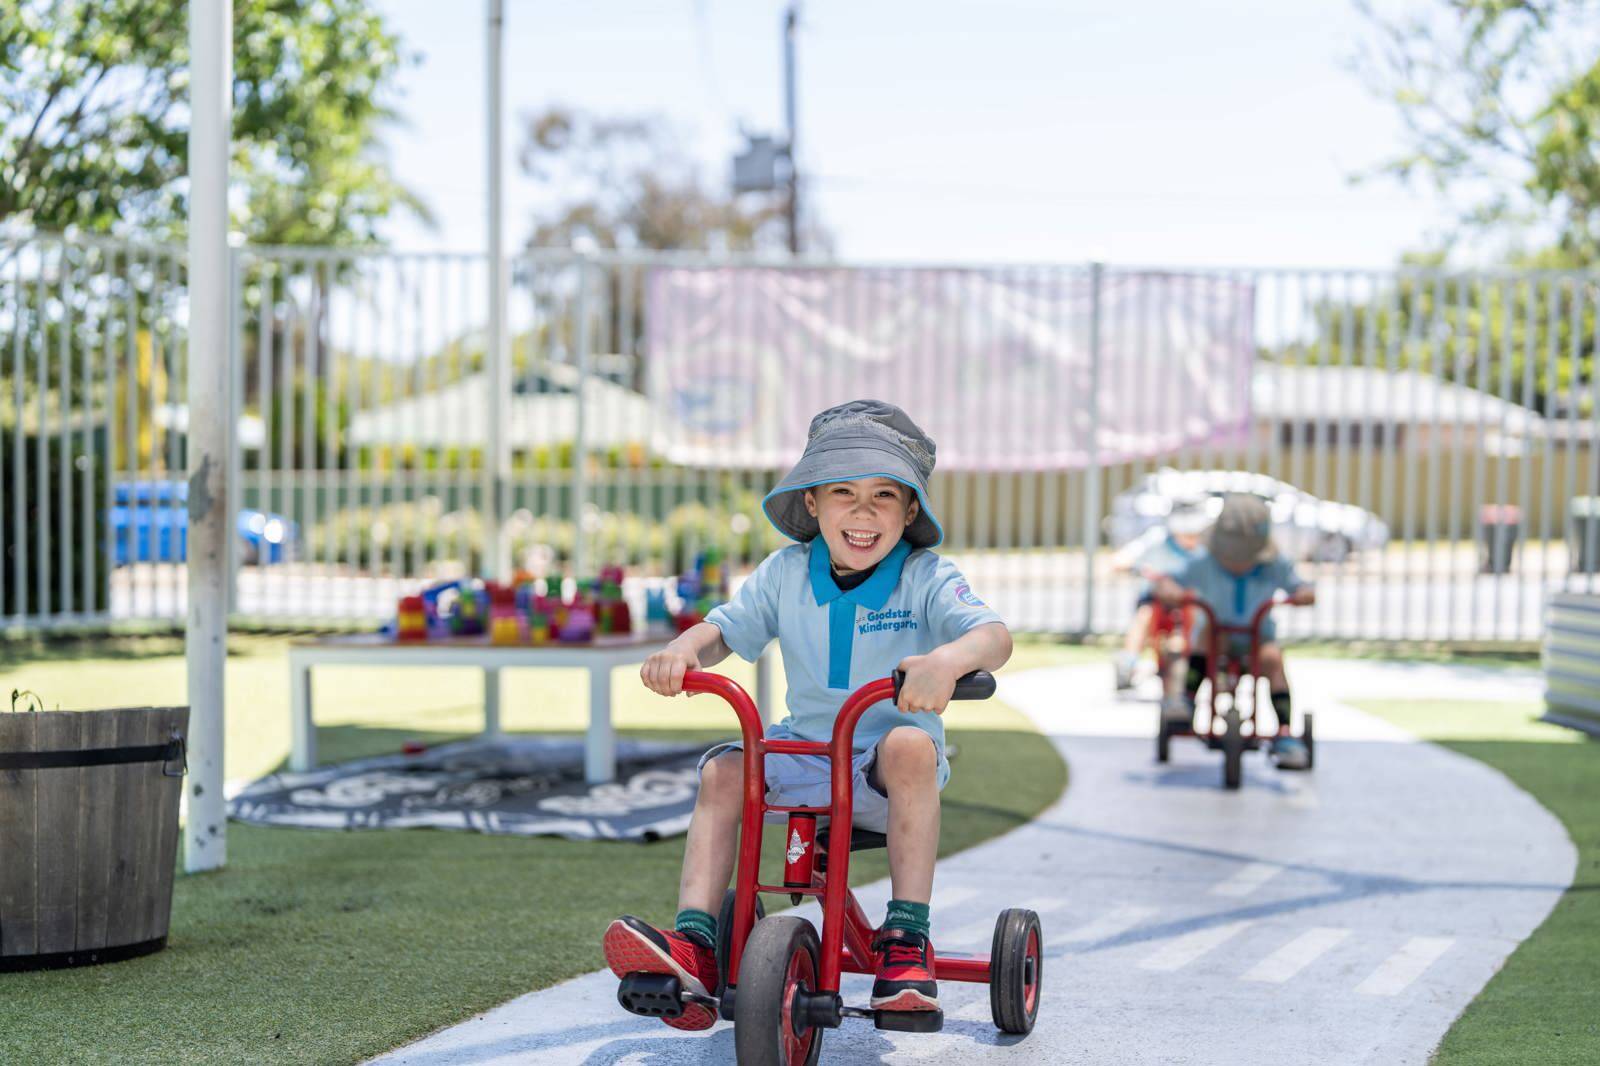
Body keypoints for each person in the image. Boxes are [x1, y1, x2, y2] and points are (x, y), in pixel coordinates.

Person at [603, 399, 1013, 1029]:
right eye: (843, 491)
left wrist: (946, 662)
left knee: (909, 746)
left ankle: (905, 941)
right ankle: (698, 945)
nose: (863, 511)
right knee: (724, 771)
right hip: (806, 753)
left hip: (884, 773)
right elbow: (726, 629)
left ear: (909, 512)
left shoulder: (926, 576)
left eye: (884, 495)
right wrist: (685, 650)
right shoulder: (785, 572)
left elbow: (993, 635)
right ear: (813, 503)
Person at [1155, 493, 1315, 768]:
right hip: (1219, 636)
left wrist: (1303, 595)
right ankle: (1187, 699)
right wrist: (1171, 591)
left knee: (1273, 660)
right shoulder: (1204, 564)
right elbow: (1168, 580)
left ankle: (1285, 732)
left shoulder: (1274, 566)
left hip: (1258, 637)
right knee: (1205, 638)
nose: (1236, 563)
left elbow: (1299, 586)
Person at [1111, 501, 1211, 691]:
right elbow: (1123, 557)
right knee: (1145, 615)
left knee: (1204, 620)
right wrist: (1131, 564)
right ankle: (1128, 663)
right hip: (1158, 599)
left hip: (1191, 600)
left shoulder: (1206, 544)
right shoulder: (1157, 539)